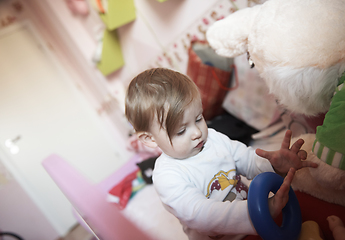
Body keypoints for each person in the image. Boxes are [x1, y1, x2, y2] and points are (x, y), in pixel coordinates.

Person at [125, 68, 317, 240]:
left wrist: (274, 164)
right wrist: (260, 211)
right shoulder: (167, 177)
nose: (197, 132)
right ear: (150, 139)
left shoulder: (213, 139)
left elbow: (247, 160)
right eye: (181, 130)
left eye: (199, 118)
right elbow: (203, 215)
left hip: (260, 216)